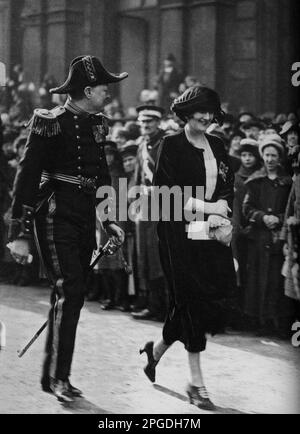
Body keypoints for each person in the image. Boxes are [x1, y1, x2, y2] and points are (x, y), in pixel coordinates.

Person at [7, 55, 127, 402]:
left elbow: (102, 177)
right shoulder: (48, 122)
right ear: (88, 90)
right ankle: (61, 378)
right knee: (71, 290)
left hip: (84, 218)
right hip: (55, 214)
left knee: (70, 293)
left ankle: (52, 376)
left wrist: (110, 219)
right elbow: (26, 177)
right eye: (105, 88)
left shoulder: (96, 123)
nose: (109, 93)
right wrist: (18, 233)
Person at [139, 86, 236, 410]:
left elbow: (227, 185)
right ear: (185, 112)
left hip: (206, 231)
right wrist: (210, 209)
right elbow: (164, 194)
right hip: (178, 232)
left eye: (210, 112)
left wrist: (222, 209)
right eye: (200, 111)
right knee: (191, 301)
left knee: (204, 298)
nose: (206, 117)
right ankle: (196, 384)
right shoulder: (172, 145)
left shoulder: (218, 145)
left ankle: (155, 352)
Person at [242, 134, 293, 337]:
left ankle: (275, 321)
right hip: (259, 238)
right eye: (267, 155)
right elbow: (247, 208)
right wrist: (262, 217)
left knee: (275, 281)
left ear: (280, 158)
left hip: (278, 239)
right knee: (257, 280)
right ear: (262, 157)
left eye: (274, 155)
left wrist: (279, 219)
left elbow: (291, 208)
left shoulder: (287, 183)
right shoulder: (255, 181)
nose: (270, 159)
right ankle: (258, 320)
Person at [131, 105, 167, 321]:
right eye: (143, 123)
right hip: (145, 206)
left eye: (150, 122)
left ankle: (165, 307)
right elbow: (137, 178)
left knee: (161, 258)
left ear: (158, 123)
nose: (146, 126)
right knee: (145, 257)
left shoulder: (167, 144)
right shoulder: (141, 146)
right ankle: (153, 305)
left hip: (165, 206)